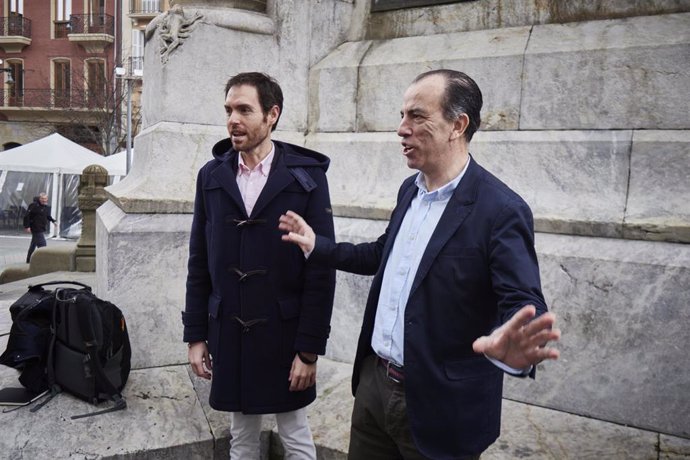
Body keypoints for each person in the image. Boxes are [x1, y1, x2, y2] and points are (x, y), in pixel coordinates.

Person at [279, 69, 561, 459]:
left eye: (416, 116)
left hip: (443, 408)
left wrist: (514, 344)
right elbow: (382, 255)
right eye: (401, 116)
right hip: (374, 388)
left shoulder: (501, 210)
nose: (401, 129)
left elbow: (523, 299)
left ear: (456, 125)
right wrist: (318, 246)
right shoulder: (409, 191)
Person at [182, 72, 336, 459]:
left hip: (285, 334)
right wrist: (196, 335)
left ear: (272, 115)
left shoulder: (307, 177)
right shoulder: (211, 176)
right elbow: (199, 260)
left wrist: (309, 351)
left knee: (296, 434)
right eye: (229, 109)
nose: (233, 119)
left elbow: (321, 269)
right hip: (229, 330)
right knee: (242, 435)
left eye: (244, 109)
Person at [23, 193, 56, 263]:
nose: (44, 200)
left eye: (45, 199)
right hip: (35, 228)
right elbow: (27, 216)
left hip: (41, 227)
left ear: (47, 199)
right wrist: (27, 226)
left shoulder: (45, 207)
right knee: (42, 245)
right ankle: (44, 262)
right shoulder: (33, 205)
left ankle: (28, 260)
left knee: (33, 244)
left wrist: (53, 221)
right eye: (42, 199)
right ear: (39, 199)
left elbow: (47, 216)